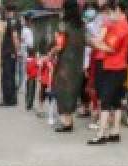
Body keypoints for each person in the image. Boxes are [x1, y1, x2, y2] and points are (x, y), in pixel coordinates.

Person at [88, 1, 128, 144]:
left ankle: (101, 135)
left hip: (114, 68)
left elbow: (109, 48)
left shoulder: (121, 27)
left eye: (110, 12)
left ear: (118, 10)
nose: (108, 16)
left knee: (106, 101)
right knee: (116, 101)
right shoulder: (120, 25)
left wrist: (93, 42)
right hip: (118, 68)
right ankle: (115, 132)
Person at [48, 0, 86, 132]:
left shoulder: (63, 26)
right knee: (73, 91)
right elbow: (88, 41)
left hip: (65, 64)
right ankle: (69, 121)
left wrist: (50, 53)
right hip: (78, 65)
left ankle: (66, 123)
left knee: (62, 91)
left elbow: (59, 46)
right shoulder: (82, 26)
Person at [0, 12, 21, 106]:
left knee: (7, 77)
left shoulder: (11, 22)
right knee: (11, 76)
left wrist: (17, 51)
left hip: (9, 53)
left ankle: (7, 100)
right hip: (11, 53)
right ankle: (12, 99)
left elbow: (15, 37)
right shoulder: (16, 21)